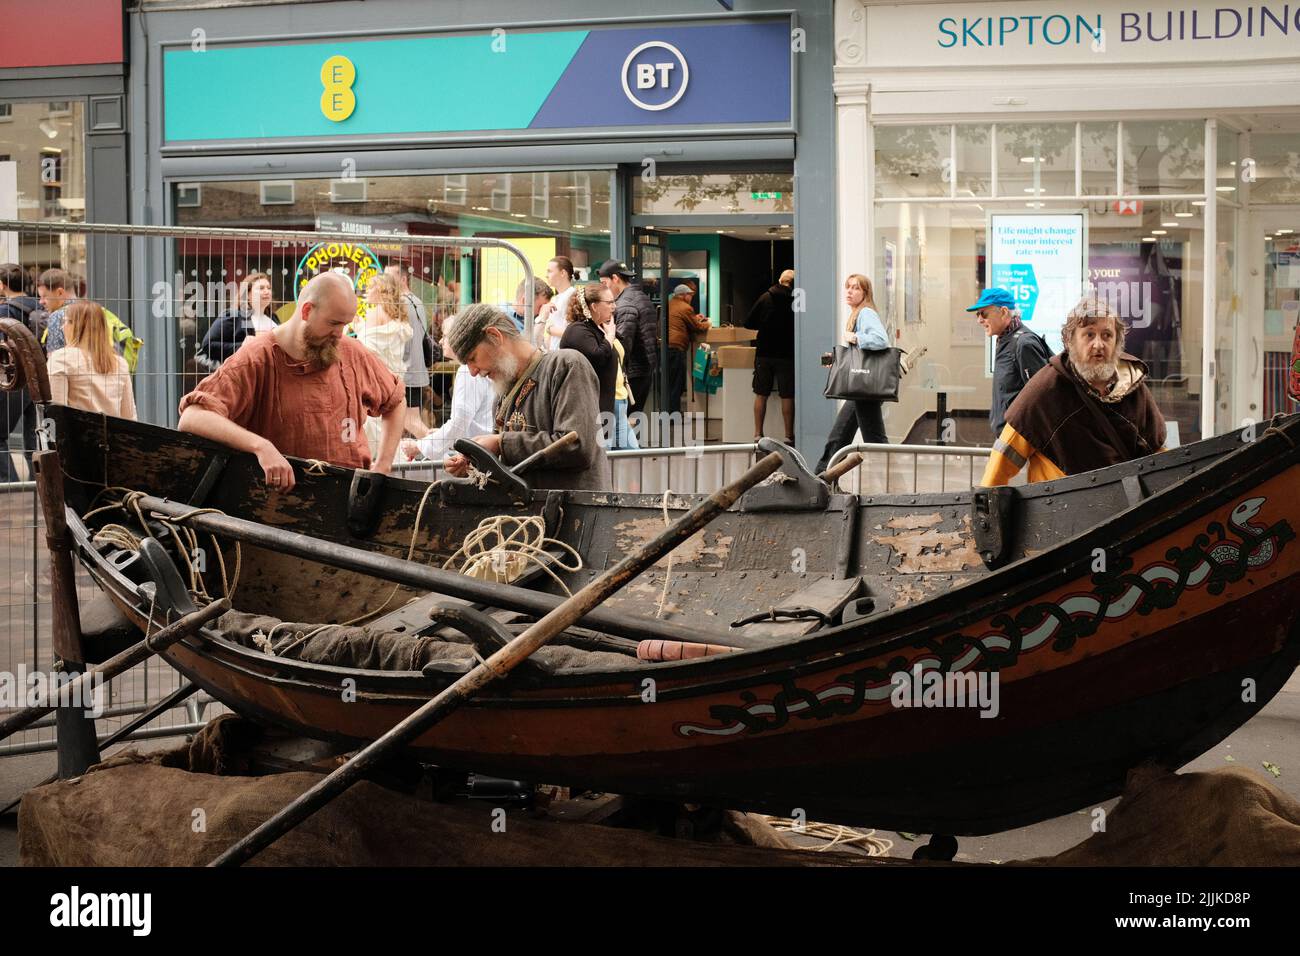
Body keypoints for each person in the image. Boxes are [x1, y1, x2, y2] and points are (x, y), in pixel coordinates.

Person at [178, 271, 404, 491]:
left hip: (349, 501)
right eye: (333, 323)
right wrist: (261, 446)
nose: (339, 333)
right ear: (306, 311)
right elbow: (193, 417)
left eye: (345, 324)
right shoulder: (256, 358)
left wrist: (382, 465)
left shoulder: (352, 352)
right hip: (278, 509)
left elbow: (395, 401)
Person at [980, 296, 1166, 486]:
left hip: (1123, 506)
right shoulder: (1045, 389)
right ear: (1070, 342)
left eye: (1107, 335)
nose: (1098, 344)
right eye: (1089, 334)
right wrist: (987, 505)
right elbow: (1005, 455)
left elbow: (1157, 453)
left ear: (1117, 342)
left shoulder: (1134, 388)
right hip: (1059, 508)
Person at [443, 304, 610, 491]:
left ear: (495, 336)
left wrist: (501, 444)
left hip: (577, 512)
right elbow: (508, 471)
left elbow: (577, 446)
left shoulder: (566, 365)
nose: (473, 372)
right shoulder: (502, 394)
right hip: (530, 516)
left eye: (472, 358)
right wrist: (474, 464)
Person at [814, 274, 891, 474]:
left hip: (864, 388)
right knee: (839, 436)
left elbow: (881, 340)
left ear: (865, 293)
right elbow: (859, 355)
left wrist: (855, 337)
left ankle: (890, 481)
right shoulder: (858, 313)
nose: (849, 291)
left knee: (873, 440)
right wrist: (836, 359)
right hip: (861, 388)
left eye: (856, 288)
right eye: (848, 287)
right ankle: (821, 478)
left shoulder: (865, 313)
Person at [400, 311, 494, 463]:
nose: (441, 341)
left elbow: (460, 422)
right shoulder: (469, 368)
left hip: (480, 453)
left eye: (445, 336)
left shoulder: (466, 370)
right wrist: (440, 434)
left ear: (459, 338)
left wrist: (421, 446)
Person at [966, 287, 1053, 436]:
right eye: (977, 314)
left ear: (1004, 312)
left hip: (1020, 440)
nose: (979, 320)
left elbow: (1042, 400)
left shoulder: (1024, 344)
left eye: (983, 313)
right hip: (1007, 436)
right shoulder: (1005, 339)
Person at [47, 300, 136, 420]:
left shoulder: (60, 359)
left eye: (66, 321)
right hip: (112, 437)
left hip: (77, 437)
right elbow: (129, 416)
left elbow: (55, 413)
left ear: (77, 326)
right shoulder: (120, 363)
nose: (62, 327)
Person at [1, 264, 46, 480]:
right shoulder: (40, 305)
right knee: (34, 438)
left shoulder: (4, 310)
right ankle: (38, 487)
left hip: (14, 381)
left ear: (2, 285)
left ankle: (10, 486)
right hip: (39, 380)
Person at [599, 259, 658, 420]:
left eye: (604, 283)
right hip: (644, 369)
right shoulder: (642, 298)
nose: (604, 288)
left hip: (633, 373)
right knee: (631, 422)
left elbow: (622, 344)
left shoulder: (624, 305)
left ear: (615, 278)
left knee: (623, 423)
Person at [746, 269, 797, 442]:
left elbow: (749, 322)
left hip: (764, 352)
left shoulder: (765, 297)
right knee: (787, 395)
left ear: (780, 280)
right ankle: (789, 435)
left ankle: (757, 433)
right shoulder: (796, 300)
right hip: (787, 353)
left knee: (761, 394)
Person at [384, 263, 433, 439]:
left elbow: (397, 340)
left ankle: (436, 450)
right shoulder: (416, 301)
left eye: (389, 277)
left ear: (403, 279)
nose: (385, 282)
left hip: (406, 373)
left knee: (409, 421)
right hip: (417, 372)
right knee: (410, 421)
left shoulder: (400, 303)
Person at [197, 272, 276, 371]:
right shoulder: (233, 316)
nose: (267, 291)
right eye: (261, 288)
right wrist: (243, 346)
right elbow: (208, 345)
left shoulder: (273, 318)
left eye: (269, 288)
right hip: (243, 376)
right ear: (247, 294)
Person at [560, 283, 617, 417]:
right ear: (594, 306)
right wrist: (609, 337)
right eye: (609, 303)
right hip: (588, 411)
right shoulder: (577, 330)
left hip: (604, 407)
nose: (614, 307)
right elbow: (598, 357)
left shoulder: (597, 327)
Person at [666, 284, 710, 416]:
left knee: (669, 382)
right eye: (690, 295)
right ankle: (674, 414)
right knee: (677, 383)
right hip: (676, 347)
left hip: (665, 347)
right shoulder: (685, 307)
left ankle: (668, 412)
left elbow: (682, 320)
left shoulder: (670, 304)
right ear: (684, 295)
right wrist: (708, 323)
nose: (691, 297)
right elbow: (698, 327)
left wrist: (695, 318)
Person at [536, 256, 577, 351]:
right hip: (555, 355)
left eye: (550, 271)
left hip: (567, 354)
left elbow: (574, 333)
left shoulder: (573, 295)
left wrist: (549, 329)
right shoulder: (555, 299)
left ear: (563, 273)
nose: (546, 275)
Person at [36, 267, 75, 352]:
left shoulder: (57, 317)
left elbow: (54, 359)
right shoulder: (97, 311)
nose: (41, 302)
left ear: (60, 293)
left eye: (44, 296)